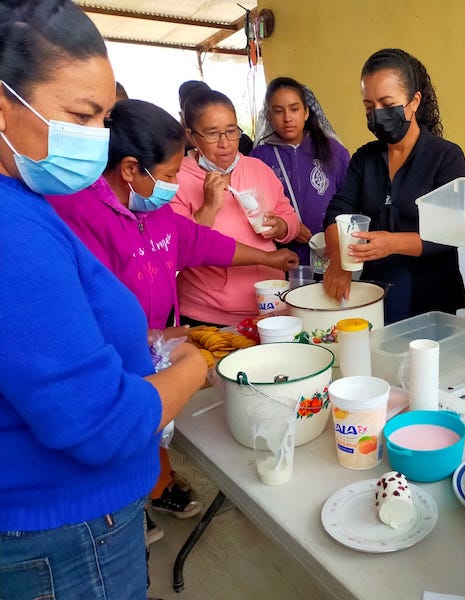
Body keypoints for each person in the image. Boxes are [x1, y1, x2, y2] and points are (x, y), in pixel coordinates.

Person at [0, 1, 207, 597]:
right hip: (63, 538)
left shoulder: (26, 200)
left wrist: (139, 341)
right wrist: (195, 365)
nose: (96, 142)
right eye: (80, 116)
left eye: (104, 119)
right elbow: (102, 426)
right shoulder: (12, 231)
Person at [47, 100, 298, 524]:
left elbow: (202, 243)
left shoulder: (154, 210)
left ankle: (157, 487)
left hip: (159, 338)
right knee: (127, 434)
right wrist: (164, 343)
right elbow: (82, 312)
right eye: (165, 177)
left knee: (156, 433)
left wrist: (269, 259)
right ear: (130, 169)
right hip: (116, 354)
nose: (171, 187)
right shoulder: (79, 215)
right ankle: (128, 511)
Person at [322, 48, 465, 323]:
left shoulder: (445, 157)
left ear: (414, 102)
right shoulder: (364, 158)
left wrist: (392, 243)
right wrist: (340, 259)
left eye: (387, 103)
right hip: (377, 293)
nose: (377, 114)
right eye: (368, 106)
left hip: (432, 297)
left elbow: (453, 231)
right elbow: (336, 213)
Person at [171, 88, 301, 327]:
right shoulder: (176, 179)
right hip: (210, 315)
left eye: (232, 132)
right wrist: (208, 206)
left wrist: (282, 227)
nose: (225, 144)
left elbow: (290, 218)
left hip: (271, 304)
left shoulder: (257, 168)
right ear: (191, 136)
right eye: (212, 134)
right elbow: (179, 248)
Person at [250, 77, 350, 267]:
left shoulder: (334, 151)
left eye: (294, 109)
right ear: (269, 117)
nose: (287, 118)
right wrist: (287, 226)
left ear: (306, 112)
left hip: (330, 252)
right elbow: (253, 210)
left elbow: (351, 201)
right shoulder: (258, 159)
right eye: (278, 111)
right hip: (282, 259)